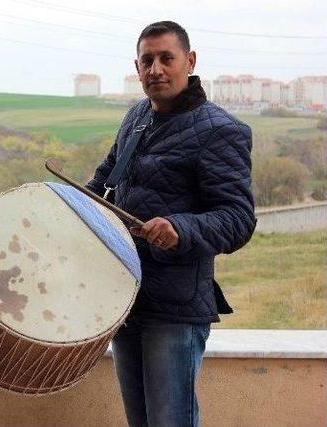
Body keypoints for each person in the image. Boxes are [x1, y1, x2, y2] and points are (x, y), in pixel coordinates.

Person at [86, 21, 256, 426]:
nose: (156, 69)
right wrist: (70, 206)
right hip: (126, 298)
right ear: (137, 67)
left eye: (166, 58)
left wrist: (180, 227)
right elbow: (104, 180)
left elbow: (237, 219)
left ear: (190, 61)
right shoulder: (137, 117)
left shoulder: (221, 130)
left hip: (176, 308)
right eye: (147, 60)